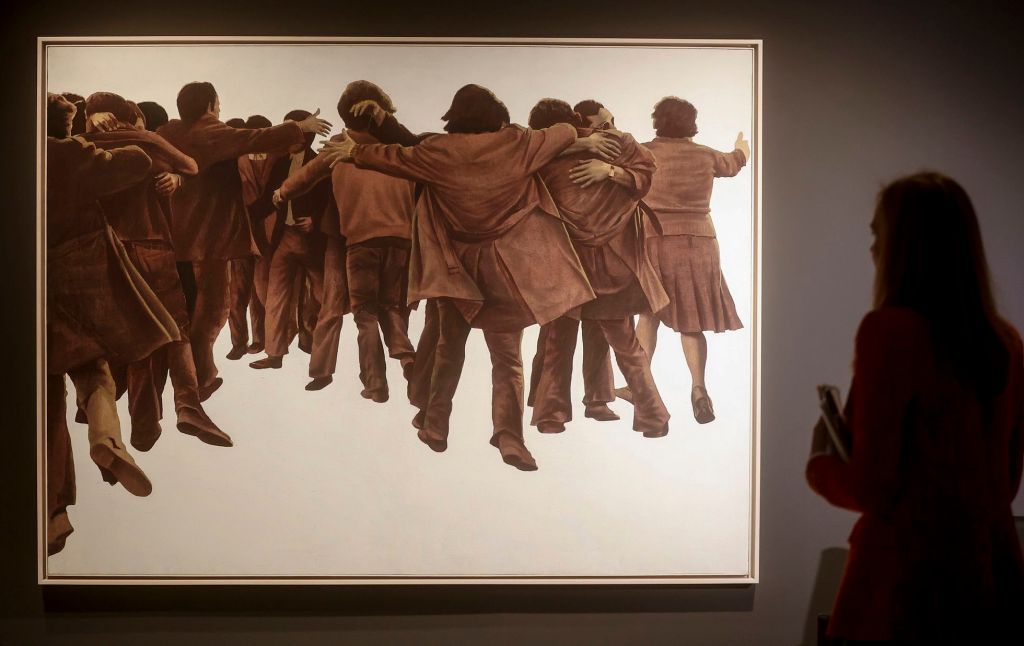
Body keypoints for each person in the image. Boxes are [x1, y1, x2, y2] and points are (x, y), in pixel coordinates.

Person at [319, 84, 620, 470]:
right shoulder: (518, 143)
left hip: (455, 270)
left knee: (449, 349)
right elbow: (562, 131)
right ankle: (510, 438)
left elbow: (398, 154)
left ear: (454, 118)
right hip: (507, 269)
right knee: (507, 359)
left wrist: (356, 150)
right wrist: (582, 141)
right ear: (497, 115)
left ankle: (435, 424)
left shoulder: (438, 152)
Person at [806, 173, 1024, 643]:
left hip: (905, 584)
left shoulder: (890, 334)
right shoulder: (1006, 342)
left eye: (878, 235)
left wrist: (820, 461)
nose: (872, 250)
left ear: (903, 247)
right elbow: (1005, 481)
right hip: (991, 576)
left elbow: (873, 489)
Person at [45, 93, 175, 552]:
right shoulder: (69, 154)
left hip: (32, 290)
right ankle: (107, 437)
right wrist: (108, 133)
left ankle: (54, 513)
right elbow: (137, 161)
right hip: (80, 278)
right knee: (94, 369)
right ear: (64, 127)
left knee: (47, 402)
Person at [157, 82, 331, 399]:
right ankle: (200, 380)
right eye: (218, 103)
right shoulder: (211, 131)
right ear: (209, 106)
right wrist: (301, 126)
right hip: (209, 242)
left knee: (186, 314)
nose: (220, 109)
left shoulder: (167, 132)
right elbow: (255, 138)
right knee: (213, 313)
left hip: (176, 241)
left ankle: (194, 380)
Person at [80, 92, 232, 451]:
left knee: (139, 337)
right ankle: (188, 405)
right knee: (175, 331)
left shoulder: (81, 148)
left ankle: (145, 422)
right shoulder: (147, 145)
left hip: (108, 253)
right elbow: (190, 166)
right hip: (151, 247)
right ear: (130, 117)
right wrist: (170, 169)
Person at [525, 98, 670, 437]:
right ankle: (652, 417)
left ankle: (551, 415)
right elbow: (647, 169)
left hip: (566, 267)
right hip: (609, 267)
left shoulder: (538, 159)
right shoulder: (618, 145)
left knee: (558, 342)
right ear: (576, 123)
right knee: (625, 345)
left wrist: (607, 168)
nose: (611, 130)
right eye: (603, 125)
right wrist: (610, 168)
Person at [276, 80, 416, 396]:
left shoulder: (340, 146)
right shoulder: (399, 150)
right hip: (398, 239)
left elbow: (305, 177)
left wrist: (281, 192)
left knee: (356, 310)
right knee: (391, 306)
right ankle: (407, 358)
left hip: (354, 238)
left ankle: (369, 381)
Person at [620, 97, 749, 424]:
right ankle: (699, 389)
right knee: (691, 321)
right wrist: (742, 149)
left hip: (655, 241)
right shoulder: (706, 155)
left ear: (657, 122)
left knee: (648, 315)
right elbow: (733, 164)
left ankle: (639, 387)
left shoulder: (644, 152)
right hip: (700, 244)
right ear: (692, 123)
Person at [248, 110, 332, 371]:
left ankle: (316, 353)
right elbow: (265, 201)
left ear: (305, 136)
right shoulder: (280, 164)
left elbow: (331, 201)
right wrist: (242, 213)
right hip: (284, 237)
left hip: (312, 241)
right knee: (276, 296)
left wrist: (315, 221)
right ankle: (274, 355)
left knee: (320, 297)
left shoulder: (320, 162)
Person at [234, 114, 278, 357]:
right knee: (244, 290)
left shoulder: (277, 159)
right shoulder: (238, 160)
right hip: (243, 230)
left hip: (270, 229)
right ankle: (247, 341)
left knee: (264, 288)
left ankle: (266, 339)